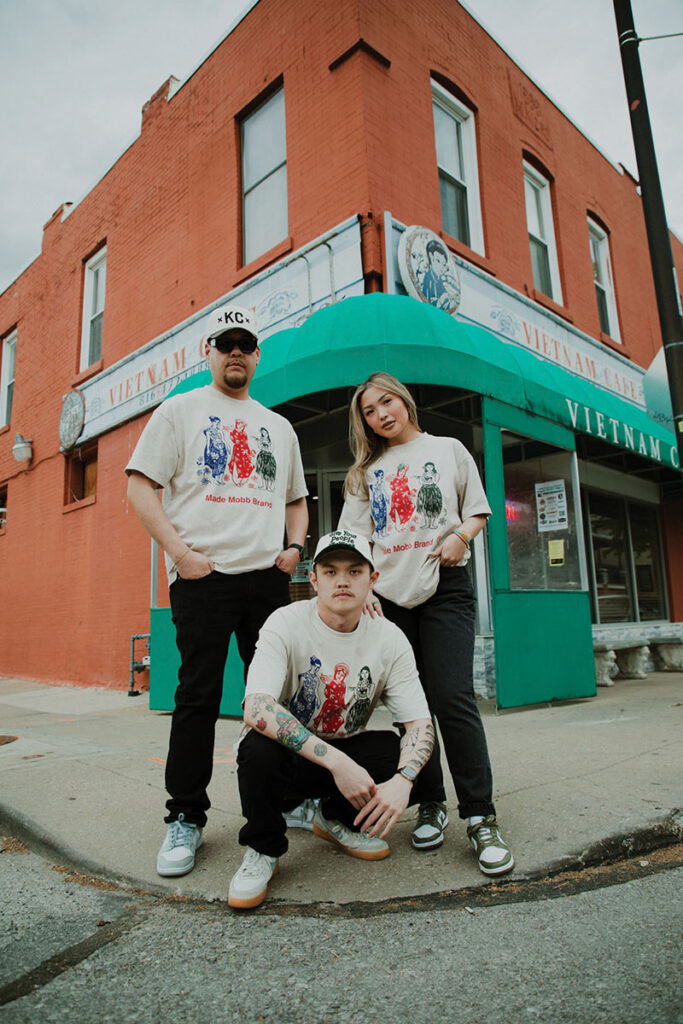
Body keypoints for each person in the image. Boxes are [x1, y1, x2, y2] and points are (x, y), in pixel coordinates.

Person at [125, 303, 308, 878]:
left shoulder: (278, 426)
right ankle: (185, 817)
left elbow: (297, 498)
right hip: (202, 578)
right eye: (225, 342)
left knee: (275, 698)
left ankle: (290, 797)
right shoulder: (179, 411)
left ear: (257, 355)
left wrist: (295, 550)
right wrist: (179, 555)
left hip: (264, 580)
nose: (235, 351)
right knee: (198, 698)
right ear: (209, 351)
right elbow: (139, 486)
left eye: (245, 343)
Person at [338, 371, 514, 877]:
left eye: (386, 402)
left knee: (452, 697)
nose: (381, 415)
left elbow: (478, 511)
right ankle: (431, 801)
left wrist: (461, 535)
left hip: (445, 586)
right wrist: (364, 589)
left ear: (404, 400)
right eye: (370, 412)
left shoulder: (449, 448)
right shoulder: (365, 472)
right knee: (409, 708)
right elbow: (355, 539)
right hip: (388, 599)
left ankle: (480, 815)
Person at [229, 529, 435, 909]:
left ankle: (333, 818)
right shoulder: (285, 622)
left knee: (413, 754)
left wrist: (403, 782)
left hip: (346, 755)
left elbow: (419, 723)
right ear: (313, 579)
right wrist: (339, 763)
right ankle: (263, 847)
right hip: (291, 763)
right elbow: (256, 707)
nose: (342, 580)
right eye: (330, 571)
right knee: (258, 746)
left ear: (373, 580)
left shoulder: (390, 638)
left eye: (355, 571)